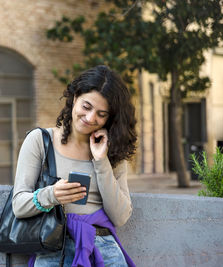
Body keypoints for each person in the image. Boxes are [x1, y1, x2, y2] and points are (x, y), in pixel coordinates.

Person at [12, 65, 137, 267]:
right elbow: (18, 205)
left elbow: (120, 216)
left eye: (101, 114)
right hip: (54, 249)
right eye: (86, 107)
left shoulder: (112, 151)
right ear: (75, 97)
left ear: (110, 118)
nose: (90, 118)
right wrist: (52, 194)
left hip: (104, 250)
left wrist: (101, 160)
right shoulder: (40, 141)